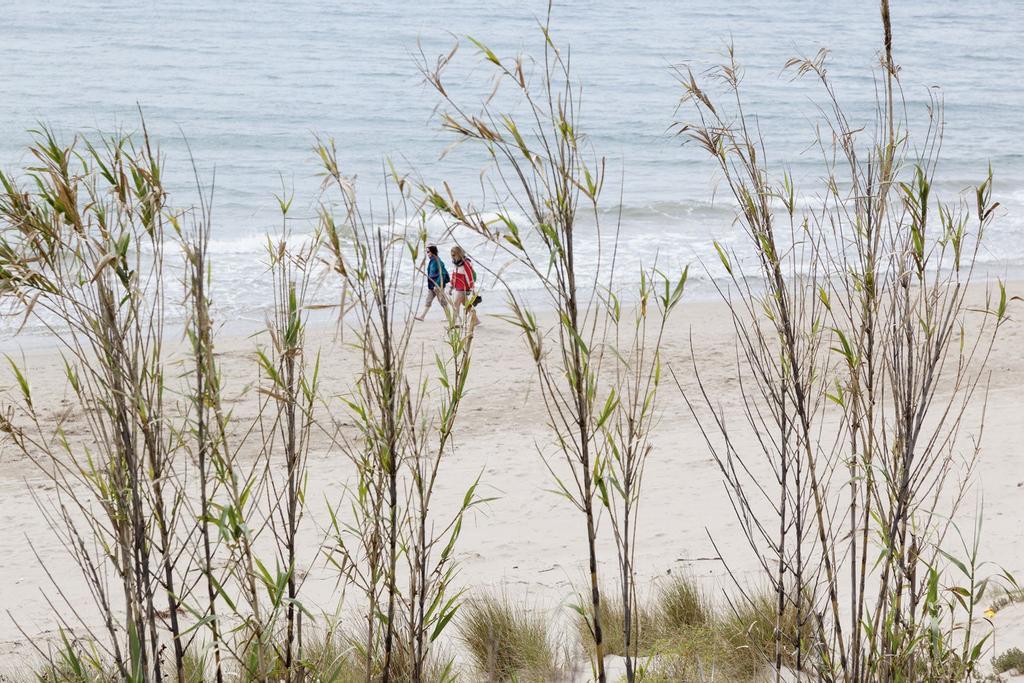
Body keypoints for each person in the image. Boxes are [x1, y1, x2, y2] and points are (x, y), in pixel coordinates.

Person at [449, 245, 480, 332]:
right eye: (452, 255)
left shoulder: (465, 264)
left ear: (459, 254)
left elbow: (469, 276)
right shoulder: (456, 264)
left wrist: (472, 289)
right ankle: (476, 320)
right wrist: (451, 286)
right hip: (458, 287)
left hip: (464, 288)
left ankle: (453, 323)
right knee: (466, 305)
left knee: (456, 304)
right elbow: (454, 275)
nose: (453, 257)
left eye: (454, 255)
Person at [415, 244, 449, 321]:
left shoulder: (437, 261)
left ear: (432, 252)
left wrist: (437, 284)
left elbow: (442, 274)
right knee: (428, 300)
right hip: (432, 286)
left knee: (442, 301)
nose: (427, 254)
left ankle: (448, 317)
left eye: (428, 252)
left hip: (437, 286)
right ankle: (422, 316)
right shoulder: (432, 261)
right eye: (426, 252)